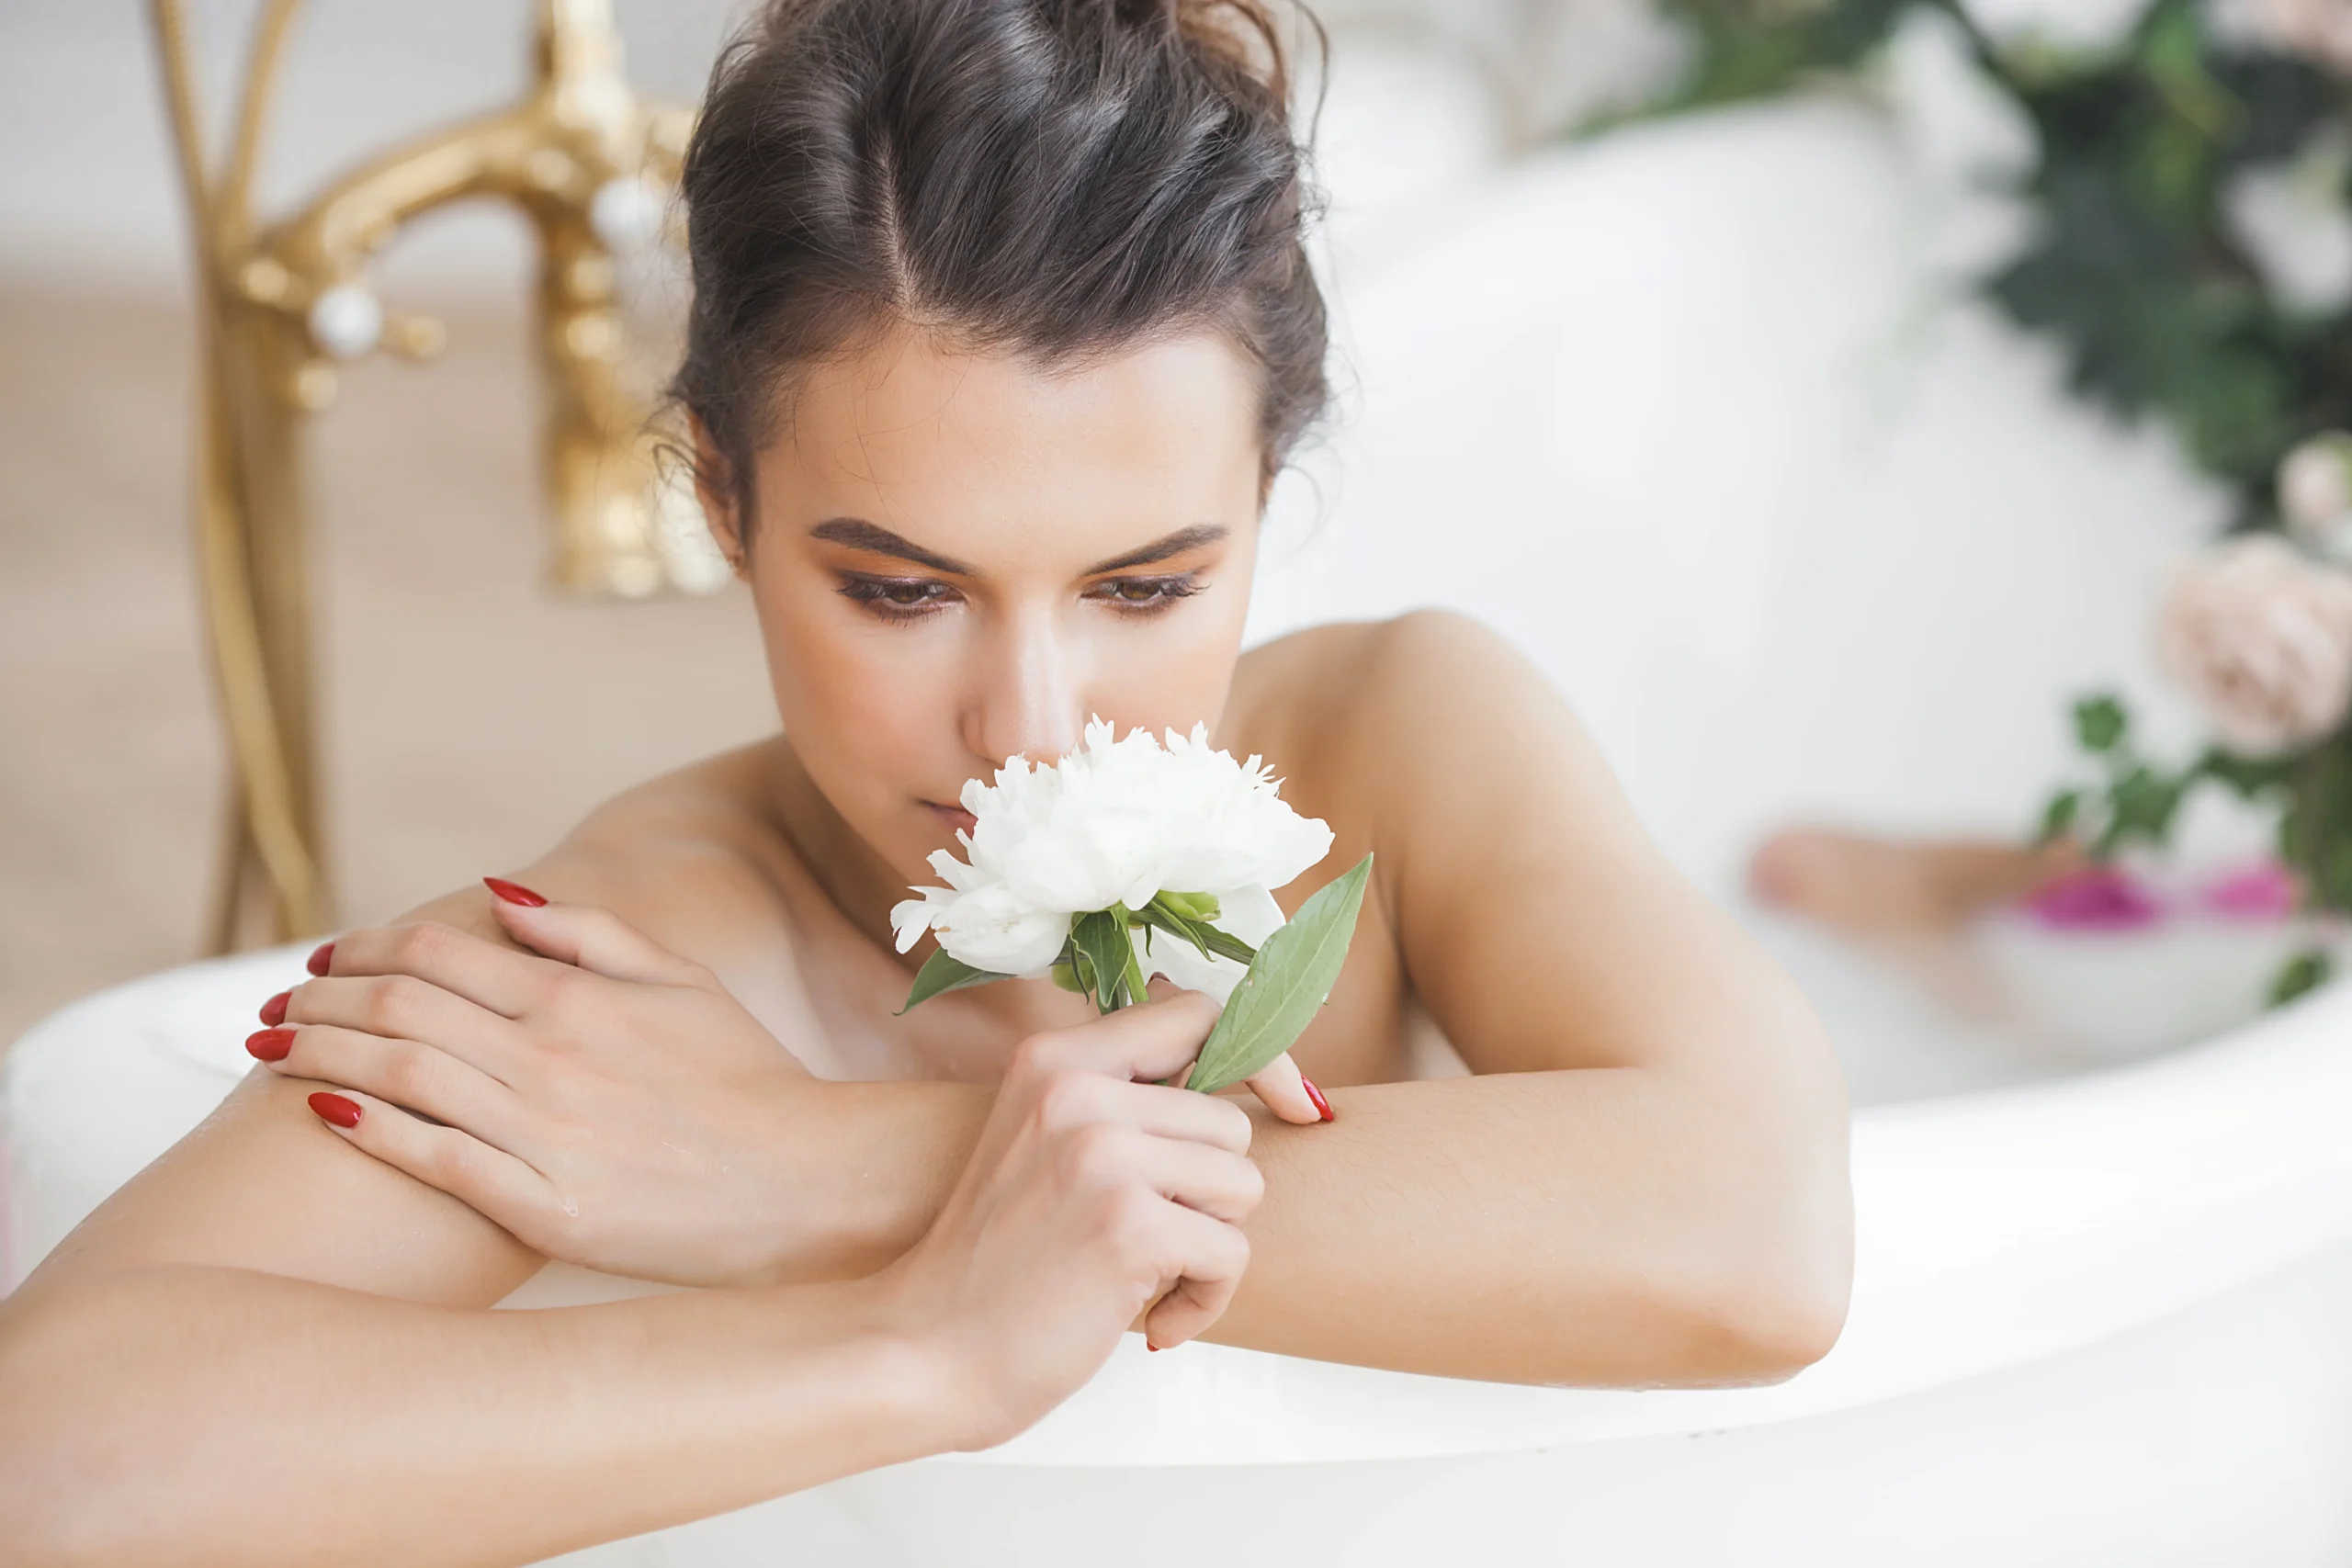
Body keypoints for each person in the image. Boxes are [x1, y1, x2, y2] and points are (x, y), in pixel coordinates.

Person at [0, 0, 1855, 1560]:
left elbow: (1758, 1231)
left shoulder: (1394, 730)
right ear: (722, 499)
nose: (1033, 724)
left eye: (1146, 584)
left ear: (1266, 499)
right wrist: (919, 1351)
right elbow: (60, 1454)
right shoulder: (651, 960)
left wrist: (821, 1166)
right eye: (899, 590)